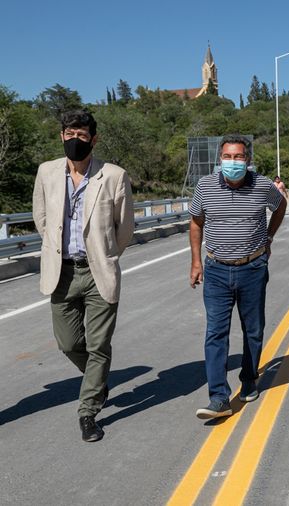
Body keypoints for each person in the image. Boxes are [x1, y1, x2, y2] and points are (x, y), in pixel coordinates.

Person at [32, 110, 135, 442]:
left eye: (81, 135)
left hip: (97, 271)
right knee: (69, 343)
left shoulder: (113, 175)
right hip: (61, 272)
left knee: (99, 345)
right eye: (69, 134)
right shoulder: (46, 172)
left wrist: (105, 256)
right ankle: (98, 380)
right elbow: (41, 218)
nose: (74, 140)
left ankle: (88, 411)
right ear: (61, 136)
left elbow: (124, 229)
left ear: (94, 138)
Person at [189, 134, 287, 419]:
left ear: (248, 159)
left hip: (253, 268)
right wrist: (196, 262)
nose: (233, 162)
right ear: (220, 159)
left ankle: (249, 378)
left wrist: (269, 237)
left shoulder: (263, 185)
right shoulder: (205, 186)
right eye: (228, 157)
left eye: (238, 157)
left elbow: (280, 206)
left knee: (253, 329)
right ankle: (218, 397)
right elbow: (196, 223)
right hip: (216, 269)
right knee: (215, 333)